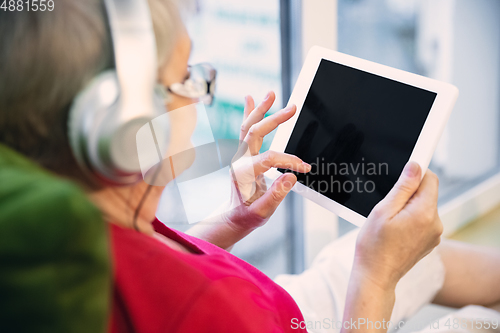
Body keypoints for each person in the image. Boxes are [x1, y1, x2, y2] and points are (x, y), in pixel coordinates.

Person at [0, 0, 499, 332]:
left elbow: (149, 272)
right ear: (122, 127)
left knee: (413, 256)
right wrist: (375, 281)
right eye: (185, 79)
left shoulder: (71, 221)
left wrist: (228, 222)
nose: (197, 92)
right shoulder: (205, 311)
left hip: (269, 306)